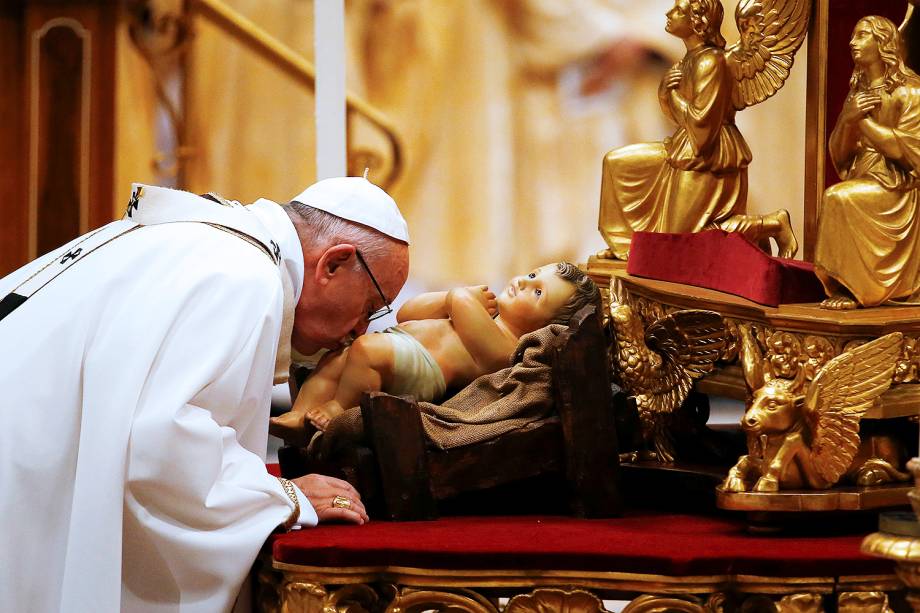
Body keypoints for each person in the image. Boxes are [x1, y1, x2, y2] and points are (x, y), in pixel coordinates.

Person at [0, 176, 409, 612]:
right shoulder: (241, 275)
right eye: (371, 306)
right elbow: (160, 444)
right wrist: (285, 498)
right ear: (334, 263)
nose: (361, 331)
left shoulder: (207, 243)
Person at [269, 262, 600, 440]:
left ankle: (340, 409)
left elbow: (462, 307)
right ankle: (300, 414)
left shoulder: (506, 348)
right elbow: (407, 313)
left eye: (538, 292)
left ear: (546, 326)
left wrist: (458, 297)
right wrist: (443, 300)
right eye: (532, 275)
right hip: (398, 342)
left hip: (422, 371)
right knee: (334, 360)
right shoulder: (478, 311)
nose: (524, 283)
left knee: (366, 350)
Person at [596, 0, 798, 260]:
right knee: (616, 163)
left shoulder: (711, 63)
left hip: (709, 157)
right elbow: (681, 119)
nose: (669, 13)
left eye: (678, 10)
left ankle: (770, 224)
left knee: (684, 240)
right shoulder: (689, 60)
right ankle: (625, 246)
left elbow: (702, 125)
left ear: (698, 22)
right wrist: (664, 95)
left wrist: (673, 96)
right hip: (684, 148)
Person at [815, 15, 920, 309]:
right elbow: (838, 151)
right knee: (840, 195)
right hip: (866, 174)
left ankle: (856, 289)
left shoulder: (910, 91)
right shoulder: (858, 93)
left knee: (836, 196)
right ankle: (845, 285)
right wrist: (848, 120)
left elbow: (907, 150)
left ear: (883, 42)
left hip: (899, 188)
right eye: (852, 36)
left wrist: (861, 122)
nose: (852, 42)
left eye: (862, 36)